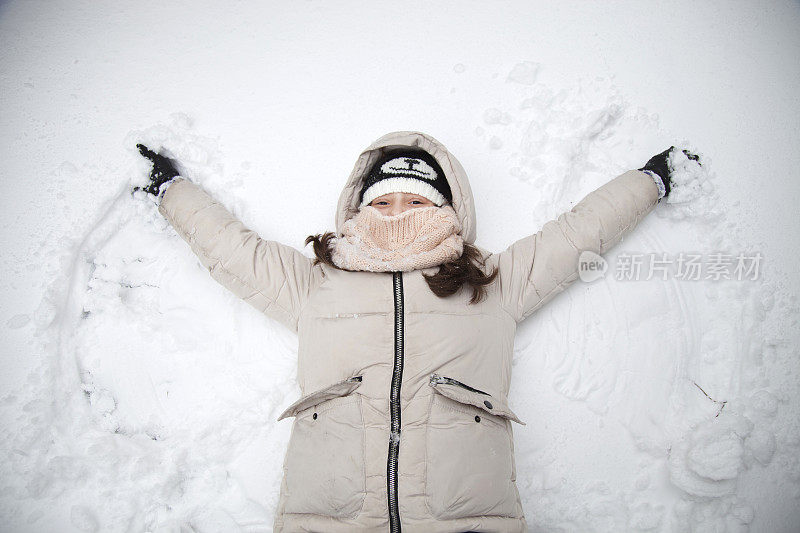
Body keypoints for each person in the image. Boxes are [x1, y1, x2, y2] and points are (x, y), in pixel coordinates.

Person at [136, 131, 693, 533]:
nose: (397, 213)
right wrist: (171, 190)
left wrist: (648, 182)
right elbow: (232, 248)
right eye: (381, 201)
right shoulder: (315, 284)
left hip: (468, 521)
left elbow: (577, 236)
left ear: (447, 207)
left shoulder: (491, 281)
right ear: (356, 209)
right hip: (330, 520)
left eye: (415, 200)